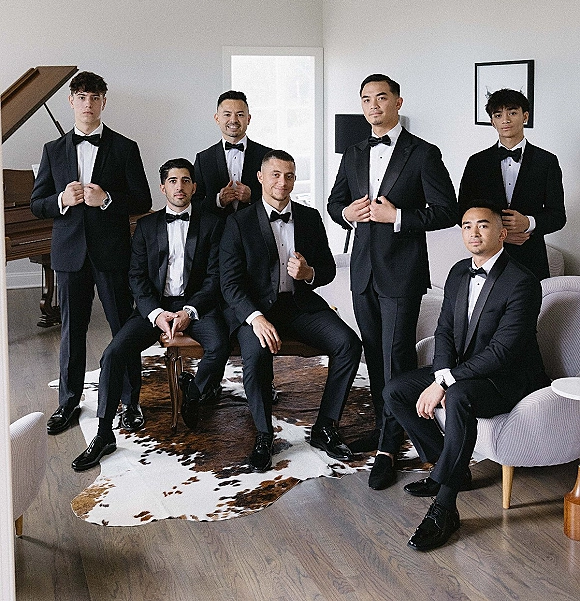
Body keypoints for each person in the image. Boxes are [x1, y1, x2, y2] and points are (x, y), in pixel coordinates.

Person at [376, 202, 548, 551]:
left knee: (458, 397)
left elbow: (502, 352)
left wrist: (443, 383)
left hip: (508, 378)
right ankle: (450, 466)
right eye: (467, 226)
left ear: (502, 233)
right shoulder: (457, 272)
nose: (473, 232)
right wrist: (441, 372)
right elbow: (444, 331)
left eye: (483, 226)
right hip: (462, 370)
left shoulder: (523, 282)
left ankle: (445, 507)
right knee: (394, 391)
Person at [327, 73, 457, 456]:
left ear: (398, 102)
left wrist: (398, 216)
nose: (373, 106)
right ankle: (389, 428)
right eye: (366, 99)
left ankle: (389, 442)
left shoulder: (423, 153)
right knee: (373, 352)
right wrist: (346, 213)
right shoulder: (353, 152)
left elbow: (447, 210)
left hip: (402, 271)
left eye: (381, 98)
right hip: (362, 271)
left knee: (396, 355)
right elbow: (335, 204)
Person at [71, 158, 229, 471]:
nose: (179, 187)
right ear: (163, 187)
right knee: (113, 354)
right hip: (155, 306)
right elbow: (136, 278)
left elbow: (215, 278)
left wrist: (189, 311)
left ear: (194, 187)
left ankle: (193, 393)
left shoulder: (212, 223)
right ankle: (104, 434)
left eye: (186, 181)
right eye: (173, 181)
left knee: (220, 344)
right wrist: (156, 314)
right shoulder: (146, 226)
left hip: (196, 306)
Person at [220, 150, 362, 471]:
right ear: (260, 177)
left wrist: (309, 273)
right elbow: (229, 283)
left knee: (348, 344)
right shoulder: (238, 222)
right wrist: (255, 318)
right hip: (256, 311)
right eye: (275, 175)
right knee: (255, 355)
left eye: (289, 176)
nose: (282, 183)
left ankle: (325, 427)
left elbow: (327, 269)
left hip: (300, 306)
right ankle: (263, 434)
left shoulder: (310, 217)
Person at [31, 71, 152, 436]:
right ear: (71, 100)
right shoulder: (52, 151)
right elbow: (38, 204)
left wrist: (108, 200)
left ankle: (131, 403)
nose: (88, 104)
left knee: (123, 330)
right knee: (72, 331)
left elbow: (143, 200)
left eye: (95, 97)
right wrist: (61, 200)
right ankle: (69, 401)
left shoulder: (126, 147)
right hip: (69, 256)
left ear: (103, 101)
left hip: (114, 254)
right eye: (81, 96)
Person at [459, 88, 566, 281]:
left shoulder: (547, 161)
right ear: (492, 121)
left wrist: (529, 222)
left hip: (531, 259)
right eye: (498, 115)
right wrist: (500, 234)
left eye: (512, 112)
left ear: (525, 116)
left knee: (533, 311)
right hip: (488, 257)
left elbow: (558, 216)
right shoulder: (476, 162)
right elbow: (462, 211)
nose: (505, 120)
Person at [193, 90, 271, 217]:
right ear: (217, 118)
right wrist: (218, 201)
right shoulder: (203, 159)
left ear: (248, 119)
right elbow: (194, 202)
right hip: (217, 233)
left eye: (240, 115)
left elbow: (278, 195)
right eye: (227, 114)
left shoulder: (267, 156)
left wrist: (252, 197)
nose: (233, 120)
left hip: (255, 231)